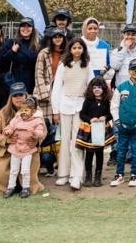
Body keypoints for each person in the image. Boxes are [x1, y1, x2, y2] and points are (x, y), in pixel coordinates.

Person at [0, 83, 44, 196]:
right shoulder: (2, 113)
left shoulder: (36, 111)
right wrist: (6, 140)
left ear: (26, 95)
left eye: (21, 95)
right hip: (7, 152)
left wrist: (36, 140)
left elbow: (43, 131)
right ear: (10, 98)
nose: (18, 98)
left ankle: (23, 187)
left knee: (30, 183)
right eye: (15, 95)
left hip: (28, 150)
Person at [50, 36, 92, 189]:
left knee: (77, 141)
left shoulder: (87, 65)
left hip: (80, 106)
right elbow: (56, 89)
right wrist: (55, 110)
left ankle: (77, 175)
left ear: (83, 49)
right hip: (65, 105)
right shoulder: (63, 65)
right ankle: (63, 174)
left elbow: (91, 87)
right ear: (70, 49)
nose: (77, 50)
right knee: (65, 140)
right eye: (74, 48)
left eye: (79, 48)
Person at [109, 57, 136, 187]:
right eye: (133, 69)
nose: (135, 72)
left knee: (135, 151)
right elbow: (115, 105)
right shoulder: (121, 87)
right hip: (122, 125)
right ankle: (119, 174)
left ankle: (135, 174)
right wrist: (117, 120)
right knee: (121, 150)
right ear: (128, 71)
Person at [32, 26, 66, 177]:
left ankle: (59, 162)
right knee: (43, 129)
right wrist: (44, 93)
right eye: (55, 37)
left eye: (60, 36)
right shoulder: (43, 53)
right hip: (44, 96)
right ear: (51, 39)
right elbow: (38, 74)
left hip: (61, 95)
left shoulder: (67, 54)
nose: (57, 39)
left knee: (59, 131)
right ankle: (41, 163)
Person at [2, 95, 46, 198]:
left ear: (33, 111)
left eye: (26, 110)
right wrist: (8, 131)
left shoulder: (37, 120)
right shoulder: (17, 119)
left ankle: (25, 188)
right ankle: (10, 187)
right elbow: (10, 126)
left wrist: (35, 133)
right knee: (13, 170)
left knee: (25, 170)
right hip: (16, 148)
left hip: (27, 149)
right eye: (22, 110)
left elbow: (41, 132)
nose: (23, 112)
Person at [73, 77, 114, 189]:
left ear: (104, 89)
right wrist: (90, 119)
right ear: (91, 89)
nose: (97, 89)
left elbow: (111, 114)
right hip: (89, 131)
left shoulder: (106, 102)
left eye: (99, 87)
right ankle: (88, 177)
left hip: (101, 130)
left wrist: (105, 117)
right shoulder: (88, 101)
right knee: (89, 153)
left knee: (99, 154)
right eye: (94, 87)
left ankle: (98, 177)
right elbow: (82, 114)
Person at [0, 19, 39, 93]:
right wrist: (12, 51)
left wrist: (20, 47)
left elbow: (34, 60)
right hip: (12, 83)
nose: (25, 28)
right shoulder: (11, 42)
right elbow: (0, 61)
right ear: (19, 28)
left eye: (28, 26)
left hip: (30, 85)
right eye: (23, 26)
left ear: (32, 29)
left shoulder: (36, 46)